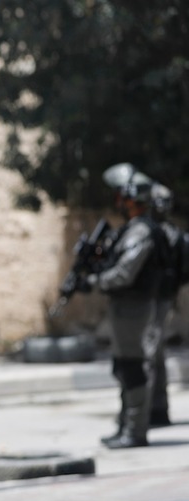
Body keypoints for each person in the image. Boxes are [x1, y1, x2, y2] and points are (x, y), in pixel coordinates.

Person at [89, 165, 167, 449]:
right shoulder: (131, 230)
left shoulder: (142, 232)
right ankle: (126, 426)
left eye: (121, 195)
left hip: (135, 309)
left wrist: (97, 280)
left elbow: (124, 273)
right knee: (123, 367)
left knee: (133, 367)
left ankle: (135, 431)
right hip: (125, 308)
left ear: (131, 197)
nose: (117, 201)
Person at [147, 182, 178, 427]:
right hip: (154, 299)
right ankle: (157, 408)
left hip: (159, 300)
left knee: (151, 354)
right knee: (156, 354)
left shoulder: (165, 234)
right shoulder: (156, 231)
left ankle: (150, 410)